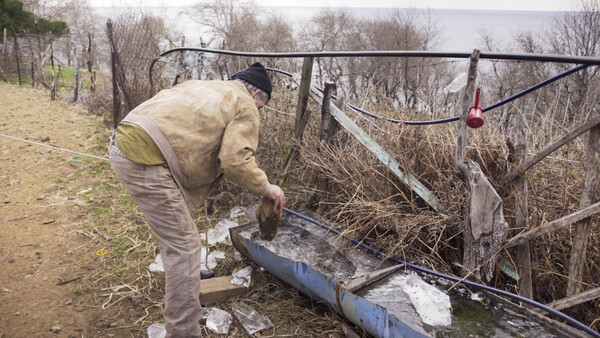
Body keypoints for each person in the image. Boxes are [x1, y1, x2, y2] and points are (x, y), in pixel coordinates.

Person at [108, 62, 285, 337]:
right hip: (145, 157)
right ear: (258, 96)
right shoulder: (246, 105)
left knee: (178, 235)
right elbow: (235, 160)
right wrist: (267, 188)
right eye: (262, 105)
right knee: (185, 246)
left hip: (126, 141)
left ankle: (185, 288)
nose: (259, 110)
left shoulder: (206, 86)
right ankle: (183, 332)